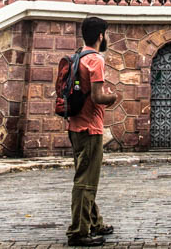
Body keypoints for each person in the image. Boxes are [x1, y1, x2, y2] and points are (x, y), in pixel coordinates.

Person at [66, 16, 118, 246]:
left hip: (76, 125)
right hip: (90, 128)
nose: (106, 38)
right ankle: (79, 231)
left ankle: (95, 223)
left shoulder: (78, 56)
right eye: (106, 34)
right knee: (86, 181)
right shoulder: (96, 60)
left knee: (86, 176)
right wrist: (113, 97)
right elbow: (98, 96)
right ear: (100, 36)